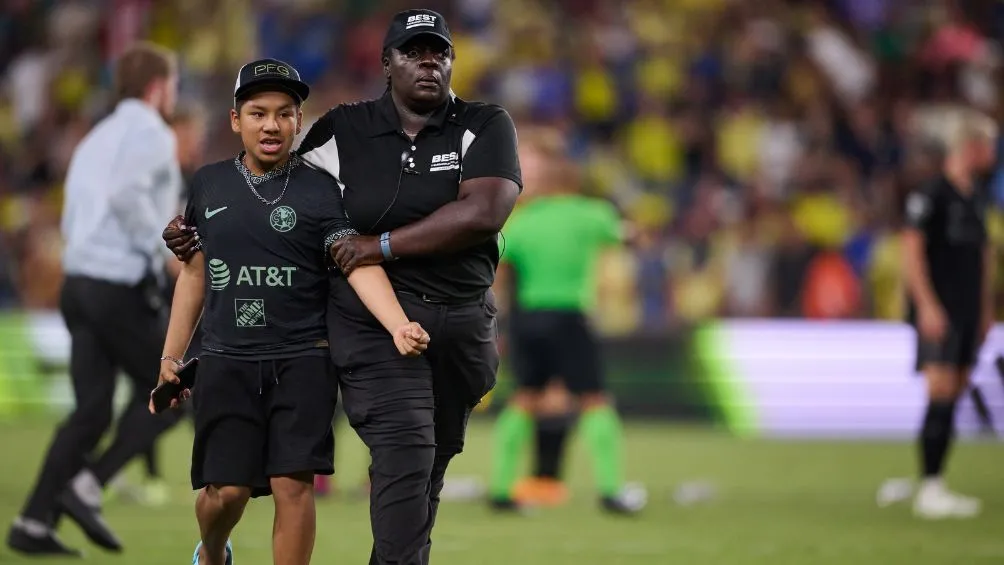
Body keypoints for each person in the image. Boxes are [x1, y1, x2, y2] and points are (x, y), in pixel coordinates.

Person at [165, 9, 521, 564]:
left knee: (433, 458)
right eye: (413, 51)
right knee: (405, 450)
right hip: (369, 321)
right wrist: (196, 233)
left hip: (461, 323)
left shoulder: (484, 122)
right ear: (386, 63)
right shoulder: (342, 130)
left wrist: (380, 245)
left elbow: (485, 211)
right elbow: (271, 192)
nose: (429, 62)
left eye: (439, 52)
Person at [154, 58, 430, 565]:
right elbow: (194, 272)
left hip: (303, 358)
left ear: (299, 121)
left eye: (284, 113)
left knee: (294, 485)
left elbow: (355, 263)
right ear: (236, 120)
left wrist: (398, 323)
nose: (272, 125)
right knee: (227, 494)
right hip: (225, 358)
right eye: (258, 113)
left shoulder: (321, 189)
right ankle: (213, 549)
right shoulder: (208, 183)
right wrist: (171, 358)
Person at [7, 42, 186, 557]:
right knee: (170, 391)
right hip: (116, 284)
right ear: (157, 87)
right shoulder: (152, 132)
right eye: (172, 84)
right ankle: (88, 485)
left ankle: (32, 523)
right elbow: (127, 197)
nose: (173, 94)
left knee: (90, 413)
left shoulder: (95, 138)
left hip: (78, 284)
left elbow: (78, 213)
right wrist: (165, 244)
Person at [488, 127, 644, 514]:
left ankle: (501, 489)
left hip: (528, 319)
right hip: (570, 316)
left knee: (524, 399)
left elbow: (498, 268)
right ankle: (611, 490)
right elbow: (628, 236)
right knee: (593, 400)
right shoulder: (592, 214)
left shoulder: (522, 221)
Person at [903, 108, 997, 519]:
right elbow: (911, 251)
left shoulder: (977, 197)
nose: (993, 153)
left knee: (954, 390)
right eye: (989, 145)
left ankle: (935, 479)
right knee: (939, 390)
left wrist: (986, 309)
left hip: (966, 310)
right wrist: (926, 305)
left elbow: (985, 256)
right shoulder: (931, 194)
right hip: (939, 310)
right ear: (971, 147)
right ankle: (929, 487)